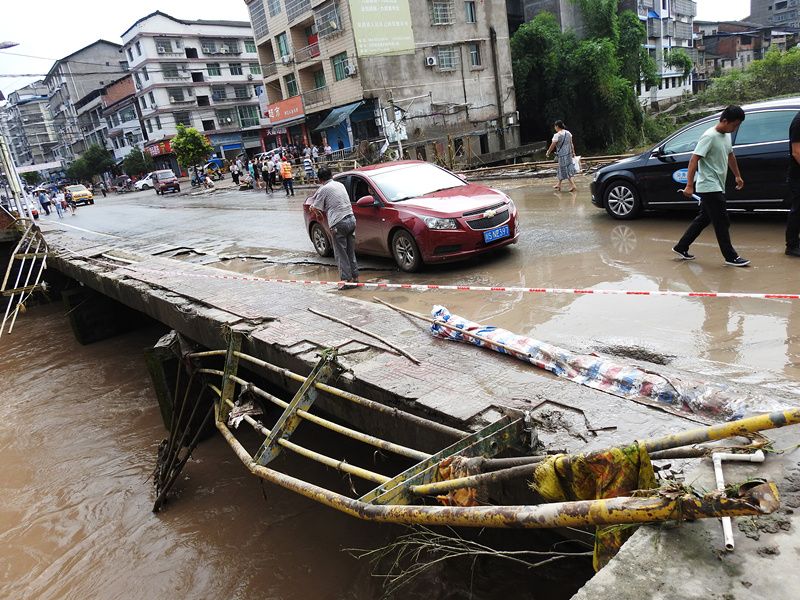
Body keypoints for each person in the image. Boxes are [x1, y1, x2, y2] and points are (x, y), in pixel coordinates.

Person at [673, 105, 750, 267]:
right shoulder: (709, 136)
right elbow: (694, 159)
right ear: (724, 120)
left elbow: (730, 155)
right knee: (722, 221)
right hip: (709, 185)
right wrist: (689, 185)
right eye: (734, 125)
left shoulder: (726, 135)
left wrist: (737, 175)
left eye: (738, 125)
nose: (735, 128)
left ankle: (681, 246)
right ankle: (730, 256)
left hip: (717, 185)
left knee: (703, 219)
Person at [310, 166, 358, 289]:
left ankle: (346, 280)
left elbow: (317, 210)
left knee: (340, 253)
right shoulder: (340, 185)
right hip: (351, 219)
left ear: (320, 179)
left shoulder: (323, 189)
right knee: (350, 251)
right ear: (331, 175)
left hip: (338, 223)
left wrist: (313, 209)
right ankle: (355, 277)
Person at [545, 120, 577, 192]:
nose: (555, 128)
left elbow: (552, 145)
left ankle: (573, 185)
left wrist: (548, 152)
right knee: (562, 169)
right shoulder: (568, 133)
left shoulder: (557, 135)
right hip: (568, 154)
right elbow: (571, 143)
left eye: (555, 126)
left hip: (562, 155)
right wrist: (573, 152)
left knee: (564, 169)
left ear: (557, 126)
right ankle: (559, 184)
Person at [786, 110, 800, 257]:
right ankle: (792, 245)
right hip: (798, 176)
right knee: (798, 210)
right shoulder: (798, 122)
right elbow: (797, 152)